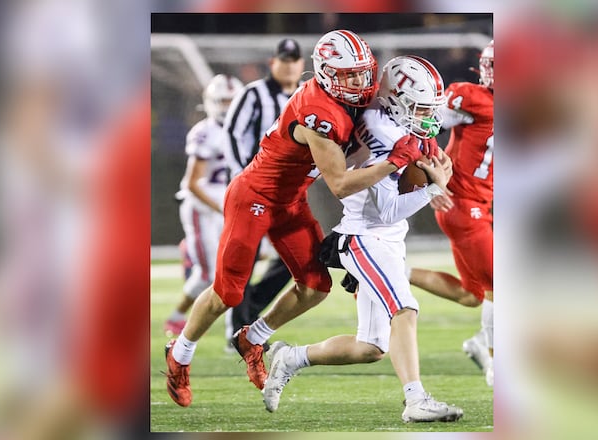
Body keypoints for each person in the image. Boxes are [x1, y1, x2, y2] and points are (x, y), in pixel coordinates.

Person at [164, 29, 436, 408]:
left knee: (315, 286)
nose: (359, 83)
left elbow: (390, 113)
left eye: (363, 73)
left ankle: (252, 339)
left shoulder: (352, 95)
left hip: (290, 200)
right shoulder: (318, 113)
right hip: (255, 197)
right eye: (349, 76)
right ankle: (180, 354)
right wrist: (396, 160)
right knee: (229, 291)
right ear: (325, 74)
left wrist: (425, 144)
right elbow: (340, 184)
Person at [261, 55, 463, 423]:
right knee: (405, 307)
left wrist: (429, 162)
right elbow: (386, 210)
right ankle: (415, 400)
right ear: (396, 99)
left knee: (370, 348)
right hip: (365, 237)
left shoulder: (381, 116)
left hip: (384, 237)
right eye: (418, 108)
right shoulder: (385, 135)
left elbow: (418, 146)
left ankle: (290, 357)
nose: (426, 117)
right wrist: (433, 189)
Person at [407, 40, 495, 386]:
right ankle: (495, 363)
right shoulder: (471, 98)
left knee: (470, 295)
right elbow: (418, 128)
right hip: (461, 204)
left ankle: (396, 272)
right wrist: (429, 180)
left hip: (480, 205)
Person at [221, 38, 305, 349]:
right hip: (254, 188)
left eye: (294, 59)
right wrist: (243, 172)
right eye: (284, 59)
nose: (289, 65)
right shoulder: (254, 93)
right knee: (244, 256)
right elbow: (232, 133)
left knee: (293, 259)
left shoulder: (305, 95)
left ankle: (251, 308)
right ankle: (237, 329)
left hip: (289, 193)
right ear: (273, 63)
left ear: (301, 64)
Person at [163, 74, 244, 336]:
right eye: (223, 101)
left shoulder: (244, 130)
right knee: (211, 275)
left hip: (228, 203)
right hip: (204, 207)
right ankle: (178, 316)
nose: (228, 107)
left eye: (233, 101)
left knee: (254, 258)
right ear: (211, 102)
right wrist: (223, 208)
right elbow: (193, 184)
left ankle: (192, 254)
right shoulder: (204, 132)